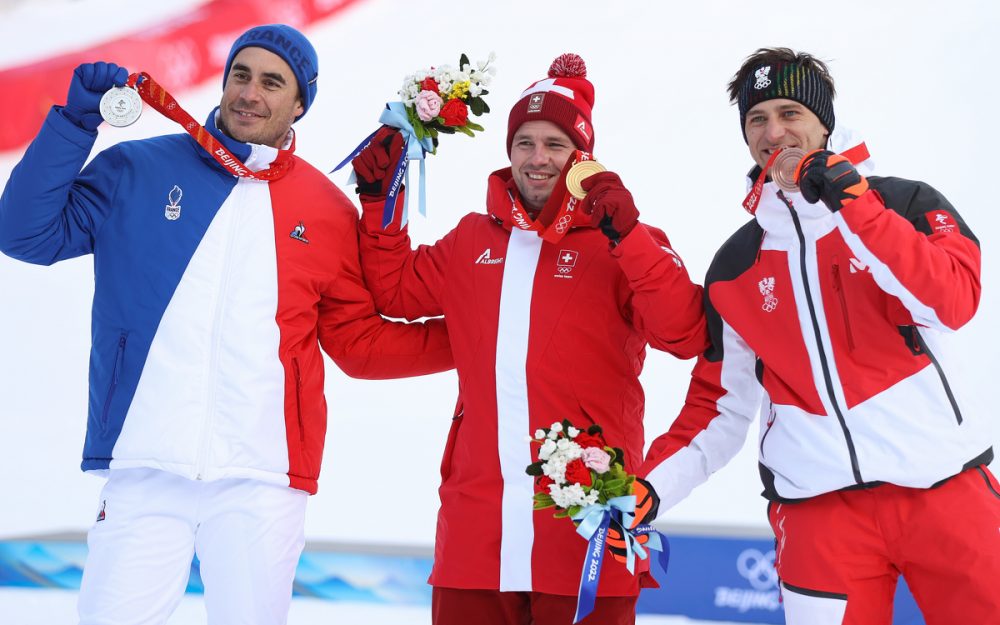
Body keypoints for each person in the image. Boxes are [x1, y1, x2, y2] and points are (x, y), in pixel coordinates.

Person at [0, 24, 453, 625]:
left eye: (271, 82)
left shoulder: (325, 210)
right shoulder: (137, 170)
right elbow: (25, 233)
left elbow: (359, 345)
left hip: (261, 480)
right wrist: (74, 124)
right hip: (145, 467)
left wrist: (475, 338)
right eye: (241, 75)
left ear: (298, 105)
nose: (249, 93)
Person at [637, 47, 1000, 625]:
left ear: (823, 123)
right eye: (758, 119)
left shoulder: (904, 203)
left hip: (945, 490)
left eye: (789, 113)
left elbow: (950, 303)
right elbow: (718, 408)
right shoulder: (736, 264)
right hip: (818, 514)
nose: (774, 131)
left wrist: (853, 203)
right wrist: (651, 488)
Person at [350, 53, 708, 625]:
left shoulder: (622, 244)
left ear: (582, 157)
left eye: (555, 144)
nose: (537, 158)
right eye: (525, 142)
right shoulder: (472, 240)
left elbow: (685, 334)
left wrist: (630, 235)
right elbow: (393, 291)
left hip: (586, 533)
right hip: (476, 536)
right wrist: (379, 204)